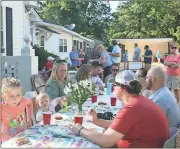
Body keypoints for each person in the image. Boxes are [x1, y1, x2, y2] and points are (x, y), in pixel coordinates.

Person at [71, 70, 169, 148]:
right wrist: (97, 121)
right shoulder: (138, 101)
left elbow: (106, 141)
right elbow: (120, 125)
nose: (113, 88)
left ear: (121, 88)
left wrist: (80, 129)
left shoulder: (131, 108)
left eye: (115, 85)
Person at [1, 78, 33, 142]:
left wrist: (28, 119)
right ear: (3, 96)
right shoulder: (1, 108)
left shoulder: (24, 100)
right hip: (8, 140)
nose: (15, 99)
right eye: (11, 96)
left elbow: (30, 103)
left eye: (18, 95)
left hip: (23, 135)